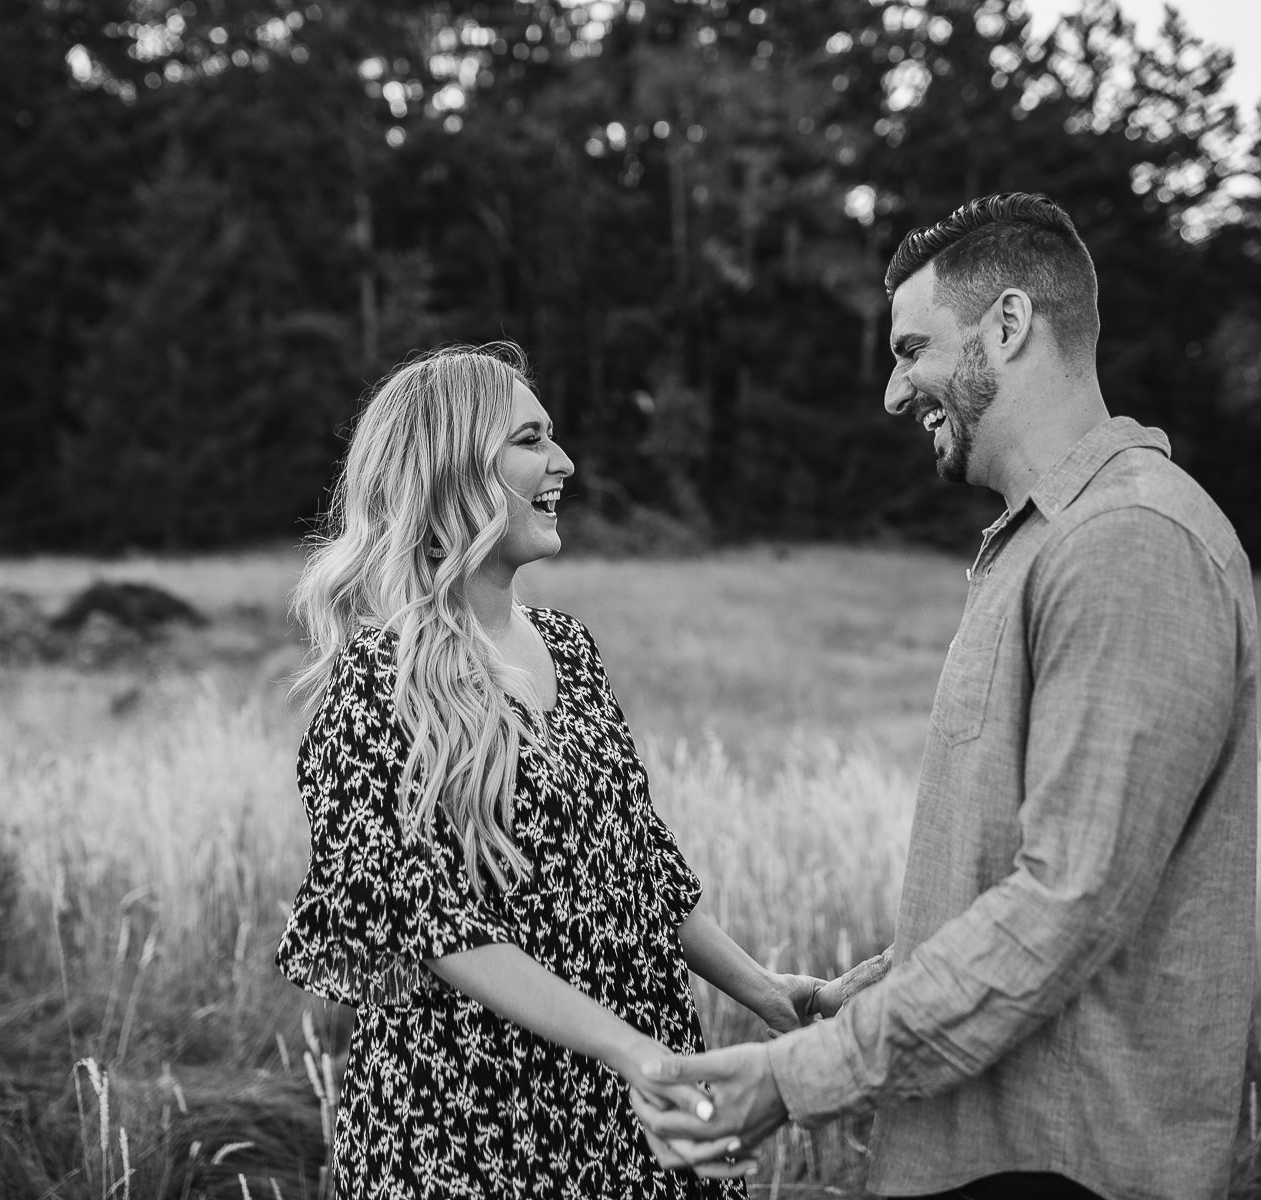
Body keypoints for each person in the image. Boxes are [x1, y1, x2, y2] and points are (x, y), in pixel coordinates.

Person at [632, 194, 1260, 1200]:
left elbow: (1068, 904)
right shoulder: (1045, 543)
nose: (892, 392)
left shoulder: (1128, 543)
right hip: (988, 1152)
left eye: (911, 348)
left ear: (1007, 326)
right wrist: (877, 989)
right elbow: (1026, 874)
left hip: (1063, 1163)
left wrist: (795, 1081)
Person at [273, 344, 859, 1198]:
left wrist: (765, 991)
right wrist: (631, 1051)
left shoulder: (570, 651)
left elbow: (641, 866)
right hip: (470, 1127)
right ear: (452, 473)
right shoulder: (375, 688)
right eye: (529, 440)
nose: (564, 463)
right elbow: (439, 929)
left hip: (630, 1105)